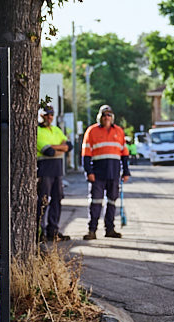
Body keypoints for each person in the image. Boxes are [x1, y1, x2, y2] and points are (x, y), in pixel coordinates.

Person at [81, 104, 130, 240]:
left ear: (112, 117)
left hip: (113, 173)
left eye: (109, 115)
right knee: (96, 202)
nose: (106, 117)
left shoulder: (119, 131)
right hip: (97, 173)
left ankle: (110, 229)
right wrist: (88, 171)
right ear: (100, 117)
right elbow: (85, 154)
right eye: (104, 115)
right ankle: (92, 230)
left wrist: (126, 171)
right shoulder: (91, 131)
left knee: (112, 202)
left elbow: (124, 154)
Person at [36, 104, 70, 242]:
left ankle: (53, 231)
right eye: (46, 114)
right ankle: (39, 232)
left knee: (57, 199)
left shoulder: (56, 129)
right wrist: (61, 148)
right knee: (43, 201)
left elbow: (70, 146)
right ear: (40, 115)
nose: (49, 117)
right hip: (44, 170)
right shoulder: (37, 130)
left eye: (51, 114)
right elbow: (47, 151)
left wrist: (55, 147)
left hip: (57, 170)